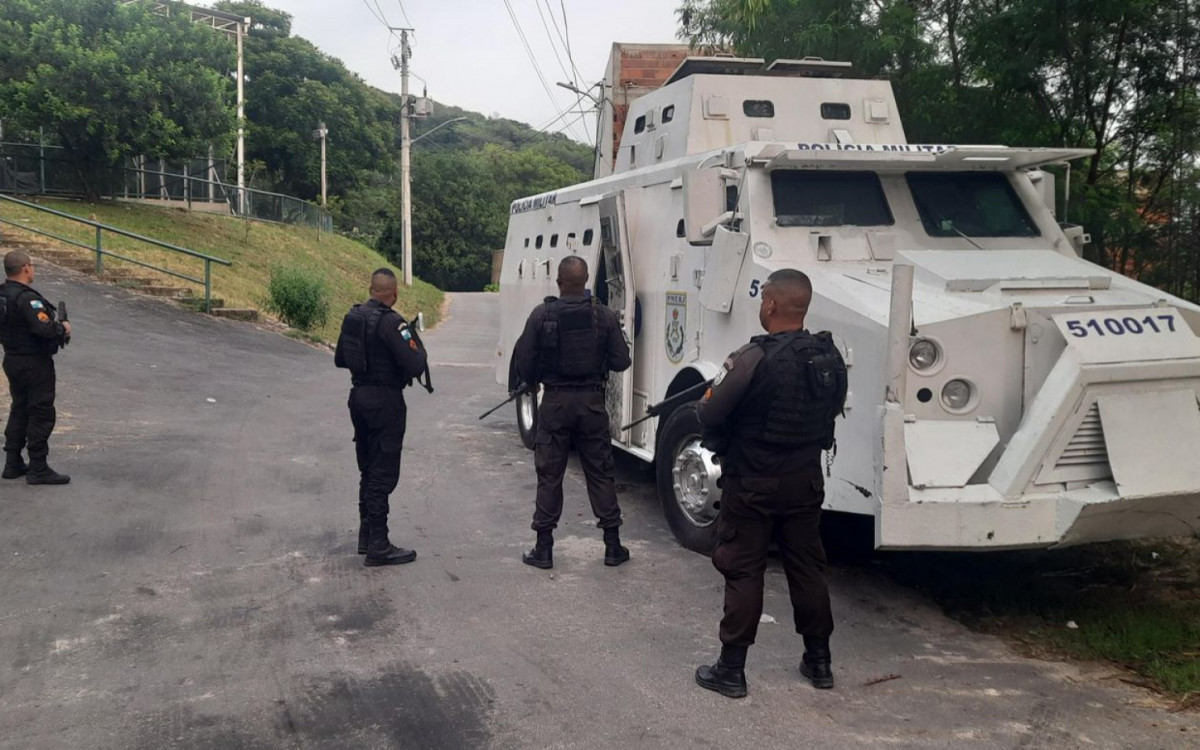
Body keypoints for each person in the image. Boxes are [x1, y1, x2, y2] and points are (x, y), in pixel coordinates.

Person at [693, 268, 847, 698]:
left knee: (743, 568)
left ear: (773, 304)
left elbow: (709, 414)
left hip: (753, 485)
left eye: (764, 300)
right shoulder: (828, 358)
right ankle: (819, 662)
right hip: (805, 483)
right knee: (807, 568)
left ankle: (730, 670)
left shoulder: (752, 357)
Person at [512, 256, 632, 569]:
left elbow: (523, 363)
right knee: (601, 471)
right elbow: (621, 361)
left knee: (549, 475)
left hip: (555, 403)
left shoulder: (541, 315)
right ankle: (612, 546)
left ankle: (544, 548)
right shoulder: (603, 316)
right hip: (591, 404)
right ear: (587, 279)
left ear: (560, 282)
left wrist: (538, 375)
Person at [335, 268, 430, 567]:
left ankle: (366, 536)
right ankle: (378, 544)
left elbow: (340, 359)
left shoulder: (354, 317)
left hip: (358, 398)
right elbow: (416, 363)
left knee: (368, 468)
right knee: (382, 472)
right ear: (394, 293)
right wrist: (411, 336)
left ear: (371, 288)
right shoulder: (393, 323)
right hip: (385, 402)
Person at [1, 250, 71, 485]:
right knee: (40, 411)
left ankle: (12, 462)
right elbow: (44, 329)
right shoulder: (28, 299)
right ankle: (38, 467)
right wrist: (62, 328)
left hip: (12, 359)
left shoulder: (3, 295)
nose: (34, 269)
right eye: (32, 265)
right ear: (25, 268)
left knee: (19, 408)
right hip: (34, 363)